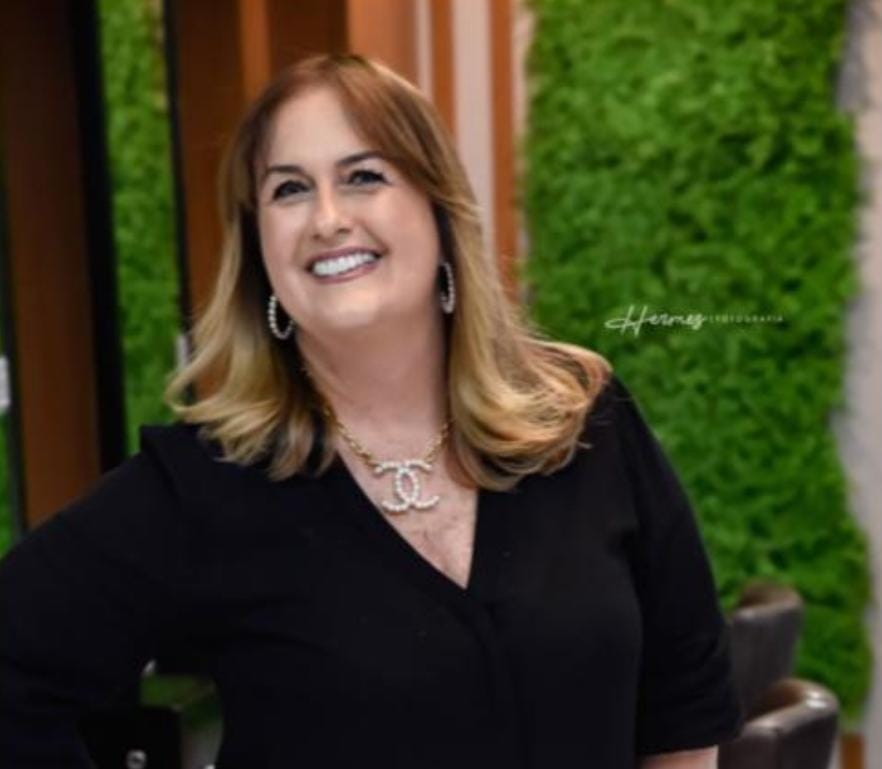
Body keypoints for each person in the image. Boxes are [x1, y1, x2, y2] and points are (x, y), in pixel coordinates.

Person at [0, 54, 741, 768]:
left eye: (363, 176)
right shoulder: (206, 484)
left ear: (439, 209)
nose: (327, 218)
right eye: (289, 190)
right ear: (259, 247)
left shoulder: (582, 421)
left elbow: (682, 707)